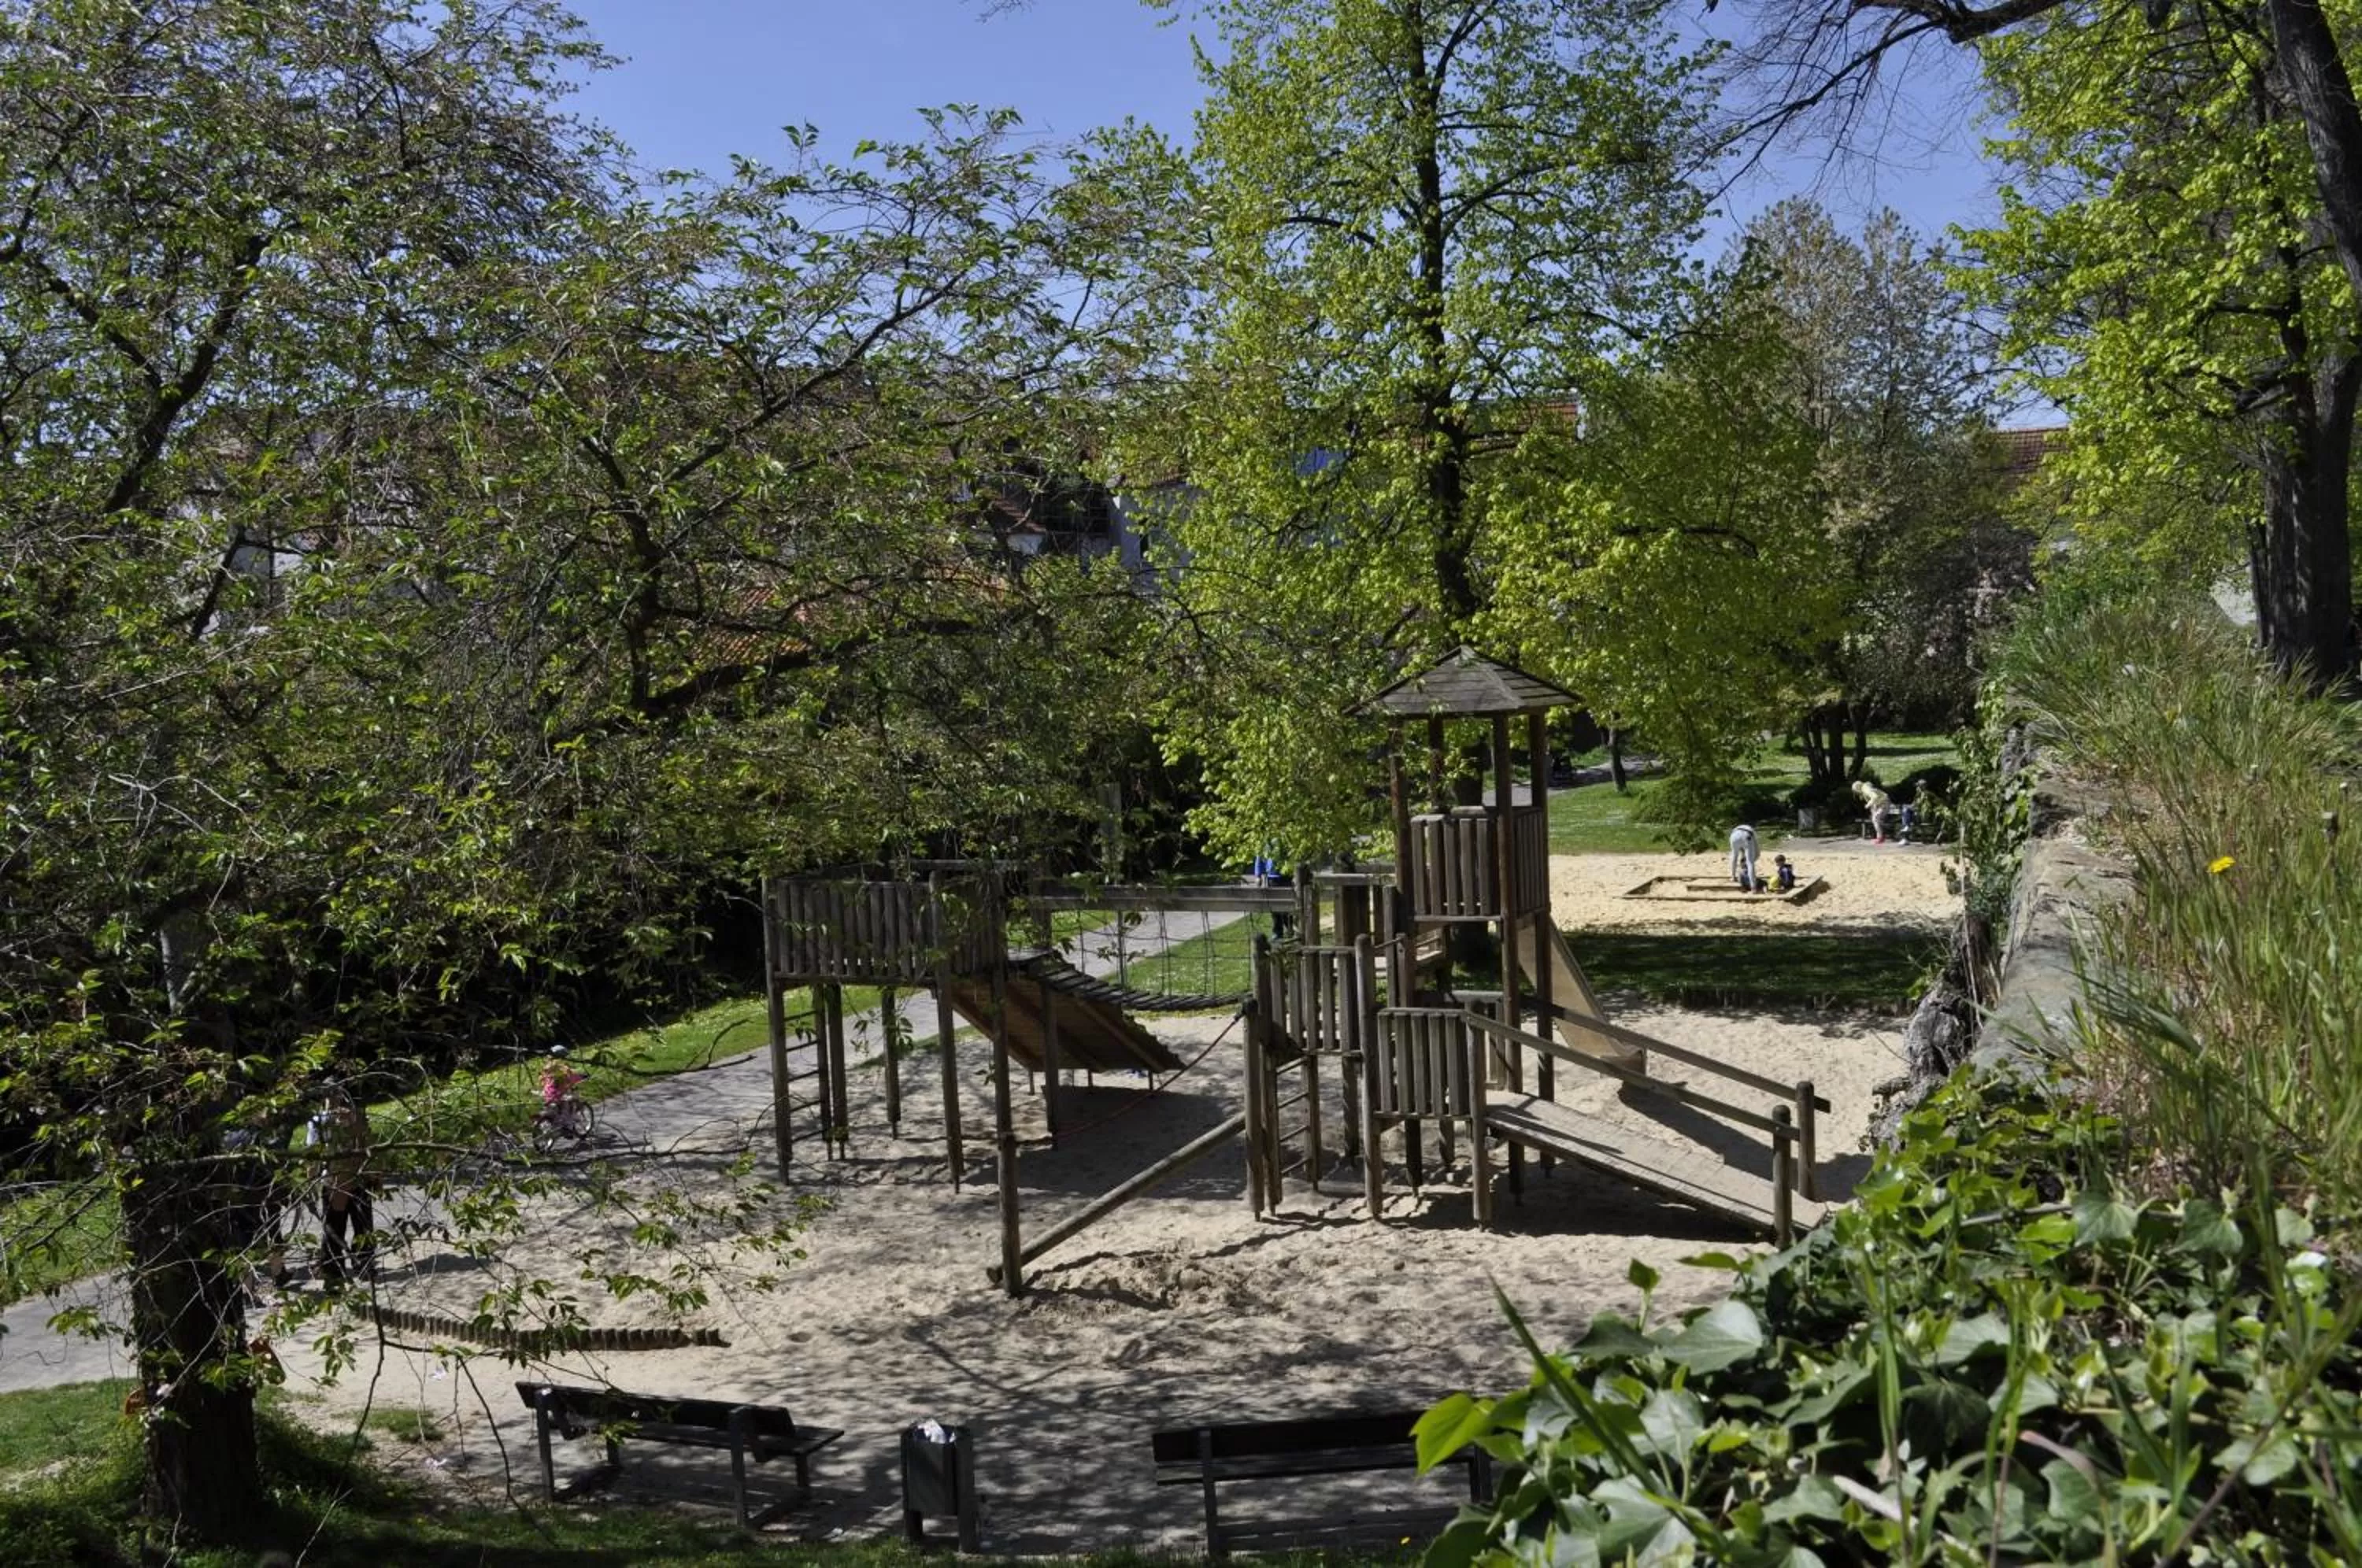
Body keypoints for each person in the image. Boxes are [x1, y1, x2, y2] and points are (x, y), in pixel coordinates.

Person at [314, 1093, 373, 1287]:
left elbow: (367, 1144)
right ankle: (341, 1267)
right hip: (341, 1180)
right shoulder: (321, 1120)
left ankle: (353, 1265)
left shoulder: (355, 1117)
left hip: (349, 1179)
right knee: (341, 1227)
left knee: (354, 1226)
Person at [1852, 779, 1894, 844]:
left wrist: (1868, 805)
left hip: (1884, 803)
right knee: (1876, 819)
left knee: (1876, 819)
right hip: (1883, 803)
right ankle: (1881, 835)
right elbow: (1875, 800)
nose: (1857, 793)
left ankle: (1880, 838)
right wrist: (1873, 808)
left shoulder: (1865, 789)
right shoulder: (1865, 788)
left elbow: (1875, 797)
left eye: (1856, 791)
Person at [1727, 822, 1760, 891]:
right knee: (1750, 863)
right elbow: (1757, 854)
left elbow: (1742, 852)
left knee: (1734, 856)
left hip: (1734, 835)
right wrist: (1749, 862)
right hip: (1747, 834)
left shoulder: (1739, 828)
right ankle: (1753, 887)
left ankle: (1733, 876)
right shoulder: (1753, 834)